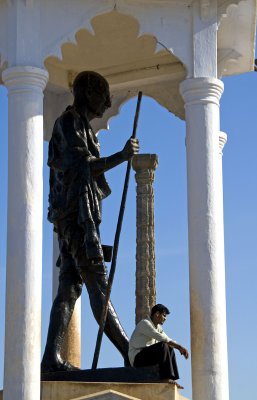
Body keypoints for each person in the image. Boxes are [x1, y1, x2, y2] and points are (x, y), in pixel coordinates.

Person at [41, 71, 139, 372]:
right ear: (87, 94)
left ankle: (50, 359)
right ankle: (130, 354)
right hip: (77, 219)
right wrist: (121, 156)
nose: (108, 102)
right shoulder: (69, 124)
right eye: (102, 94)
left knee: (69, 289)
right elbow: (81, 166)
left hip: (77, 216)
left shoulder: (82, 127)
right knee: (98, 283)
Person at [128, 304, 189, 382]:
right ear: (157, 314)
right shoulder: (145, 323)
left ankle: (172, 378)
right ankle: (164, 377)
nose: (165, 318)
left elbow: (168, 339)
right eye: (164, 315)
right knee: (163, 345)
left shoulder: (159, 328)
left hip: (148, 356)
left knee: (169, 347)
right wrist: (179, 347)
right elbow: (161, 338)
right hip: (138, 359)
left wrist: (179, 347)